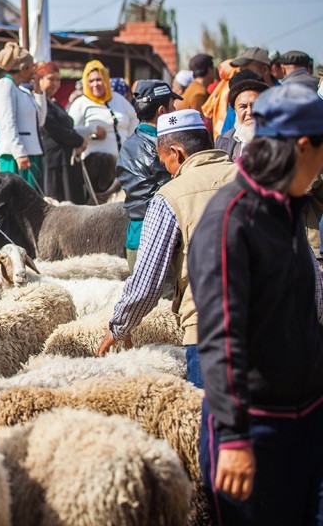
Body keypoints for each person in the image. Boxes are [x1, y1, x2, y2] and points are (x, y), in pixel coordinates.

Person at [190, 84, 323, 524]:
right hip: (255, 433)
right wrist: (232, 438)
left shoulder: (287, 211)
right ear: (303, 147)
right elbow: (222, 336)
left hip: (302, 423)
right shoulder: (232, 220)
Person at [96, 109, 236, 390]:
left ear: (178, 153)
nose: (168, 171)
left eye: (165, 163)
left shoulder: (170, 198)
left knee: (209, 425)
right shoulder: (257, 181)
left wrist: (119, 327)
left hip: (211, 331)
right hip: (273, 324)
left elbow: (147, 281)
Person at [115, 80, 177, 276]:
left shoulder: (127, 145)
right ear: (161, 111)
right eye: (172, 105)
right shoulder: (164, 148)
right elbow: (170, 193)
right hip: (161, 238)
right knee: (167, 305)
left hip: (134, 237)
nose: (174, 109)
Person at [68, 59, 138, 194]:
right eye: (91, 81)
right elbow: (70, 130)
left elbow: (134, 118)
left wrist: (130, 140)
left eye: (99, 79)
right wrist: (92, 130)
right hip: (96, 169)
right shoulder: (81, 104)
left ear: (106, 80)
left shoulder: (118, 99)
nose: (95, 84)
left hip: (124, 165)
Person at [0, 42, 46, 191]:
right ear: (23, 68)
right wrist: (19, 152)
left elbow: (40, 121)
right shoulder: (5, 86)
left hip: (32, 152)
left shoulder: (24, 91)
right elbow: (6, 122)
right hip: (15, 155)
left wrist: (39, 92)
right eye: (32, 68)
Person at [35, 61, 87, 204]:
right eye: (51, 79)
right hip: (53, 162)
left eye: (58, 80)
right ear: (39, 79)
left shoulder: (54, 102)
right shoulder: (39, 103)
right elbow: (52, 128)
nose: (55, 84)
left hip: (65, 160)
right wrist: (79, 141)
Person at [214, 71, 268, 161]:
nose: (250, 112)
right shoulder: (223, 141)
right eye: (243, 107)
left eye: (255, 105)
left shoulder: (280, 139)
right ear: (235, 110)